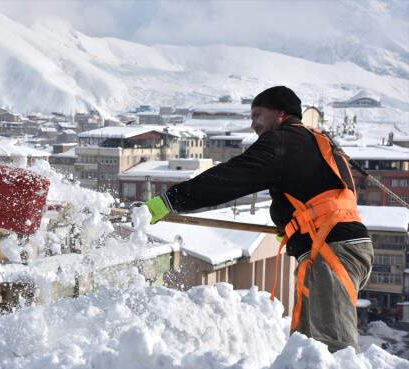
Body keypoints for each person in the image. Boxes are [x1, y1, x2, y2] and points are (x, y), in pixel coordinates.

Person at [145, 86, 373, 353]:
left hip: (331, 251)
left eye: (257, 115)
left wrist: (171, 201)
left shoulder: (281, 141)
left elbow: (233, 178)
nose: (253, 125)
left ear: (280, 113)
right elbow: (319, 192)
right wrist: (292, 226)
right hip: (340, 246)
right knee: (310, 351)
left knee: (333, 350)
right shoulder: (317, 141)